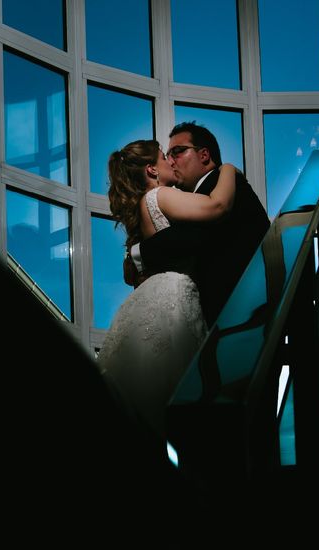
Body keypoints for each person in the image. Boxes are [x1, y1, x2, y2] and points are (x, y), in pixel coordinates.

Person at [98, 139, 238, 440]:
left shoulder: (142, 209)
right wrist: (228, 169)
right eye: (165, 157)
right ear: (152, 170)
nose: (171, 162)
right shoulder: (159, 196)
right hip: (173, 296)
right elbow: (217, 206)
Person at [128, 122, 271, 326]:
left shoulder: (225, 185)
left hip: (241, 310)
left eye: (177, 152)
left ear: (204, 155)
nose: (170, 161)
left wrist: (138, 253)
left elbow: (191, 235)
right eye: (167, 156)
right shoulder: (198, 197)